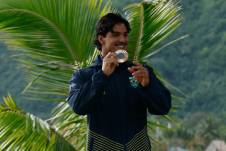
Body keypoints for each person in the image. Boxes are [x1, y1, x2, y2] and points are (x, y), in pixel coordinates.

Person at [67, 13, 171, 151]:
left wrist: (148, 86)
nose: (122, 39)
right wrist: (103, 75)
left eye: (125, 35)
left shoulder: (140, 71)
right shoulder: (84, 75)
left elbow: (163, 107)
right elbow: (79, 107)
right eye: (115, 35)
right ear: (101, 38)